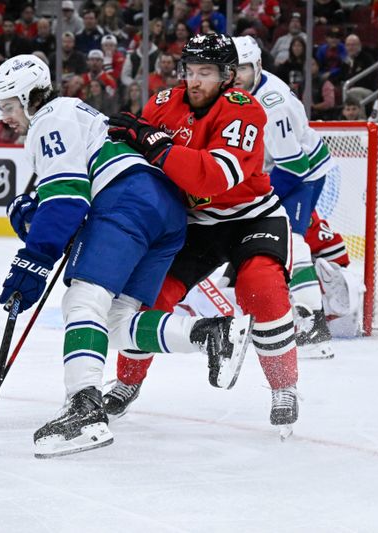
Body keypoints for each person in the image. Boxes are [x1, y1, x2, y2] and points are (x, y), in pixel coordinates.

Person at [0, 55, 253, 457]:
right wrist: (37, 216)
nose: (3, 116)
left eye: (8, 106)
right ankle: (210, 334)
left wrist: (32, 262)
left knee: (83, 298)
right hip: (164, 211)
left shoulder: (49, 120)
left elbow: (66, 200)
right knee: (118, 321)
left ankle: (84, 407)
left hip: (127, 200)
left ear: (29, 98)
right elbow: (68, 198)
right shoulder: (74, 113)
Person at [106, 34, 300, 436]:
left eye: (206, 73)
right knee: (150, 295)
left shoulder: (246, 111)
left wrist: (156, 147)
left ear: (228, 76)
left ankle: (284, 387)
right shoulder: (163, 104)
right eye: (190, 72)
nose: (195, 81)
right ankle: (127, 381)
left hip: (253, 218)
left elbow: (212, 178)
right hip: (195, 224)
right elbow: (138, 157)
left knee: (261, 289)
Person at [232, 35, 336, 358]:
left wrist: (256, 196)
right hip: (279, 169)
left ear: (258, 67)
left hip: (303, 176)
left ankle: (313, 324)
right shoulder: (237, 92)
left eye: (244, 69)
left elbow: (295, 167)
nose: (237, 76)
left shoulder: (272, 104)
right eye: (232, 69)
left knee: (289, 239)